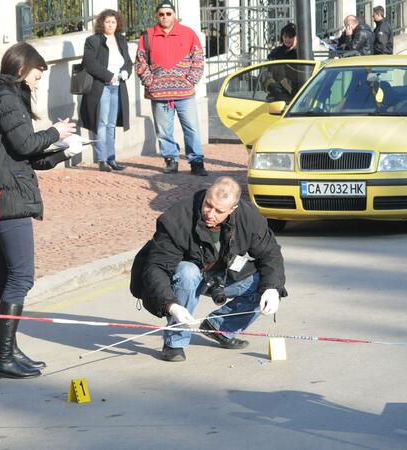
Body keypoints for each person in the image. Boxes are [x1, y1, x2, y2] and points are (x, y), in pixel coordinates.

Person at [0, 42, 77, 379]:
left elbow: (22, 155)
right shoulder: (6, 99)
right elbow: (26, 144)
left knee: (6, 275)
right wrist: (57, 131)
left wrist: (62, 151)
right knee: (21, 276)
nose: (37, 84)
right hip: (11, 196)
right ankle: (3, 356)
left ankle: (8, 350)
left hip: (6, 188)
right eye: (37, 76)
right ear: (23, 71)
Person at [130, 176, 287, 362]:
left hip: (222, 271)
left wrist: (272, 289)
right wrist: (171, 305)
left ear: (233, 209)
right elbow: (156, 267)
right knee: (187, 273)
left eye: (219, 211)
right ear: (206, 194)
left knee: (263, 282)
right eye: (208, 205)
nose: (210, 214)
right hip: (186, 273)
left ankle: (220, 327)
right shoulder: (177, 218)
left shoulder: (249, 218)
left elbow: (271, 254)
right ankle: (175, 342)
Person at [134, 1, 208, 176]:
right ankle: (170, 159)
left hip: (185, 93)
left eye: (168, 14)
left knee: (191, 128)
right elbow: (140, 62)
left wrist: (191, 80)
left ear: (174, 15)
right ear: (156, 16)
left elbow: (198, 58)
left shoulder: (188, 33)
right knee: (163, 130)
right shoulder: (148, 36)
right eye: (161, 14)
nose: (165, 17)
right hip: (159, 94)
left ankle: (196, 161)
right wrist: (150, 82)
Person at [80, 9, 132, 172]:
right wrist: (109, 76)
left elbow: (128, 62)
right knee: (101, 123)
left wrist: (125, 72)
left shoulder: (121, 40)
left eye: (113, 22)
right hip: (101, 87)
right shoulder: (93, 41)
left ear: (118, 24)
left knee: (111, 124)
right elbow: (90, 63)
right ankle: (102, 159)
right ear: (102, 23)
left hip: (118, 87)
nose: (110, 25)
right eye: (108, 22)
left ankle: (112, 158)